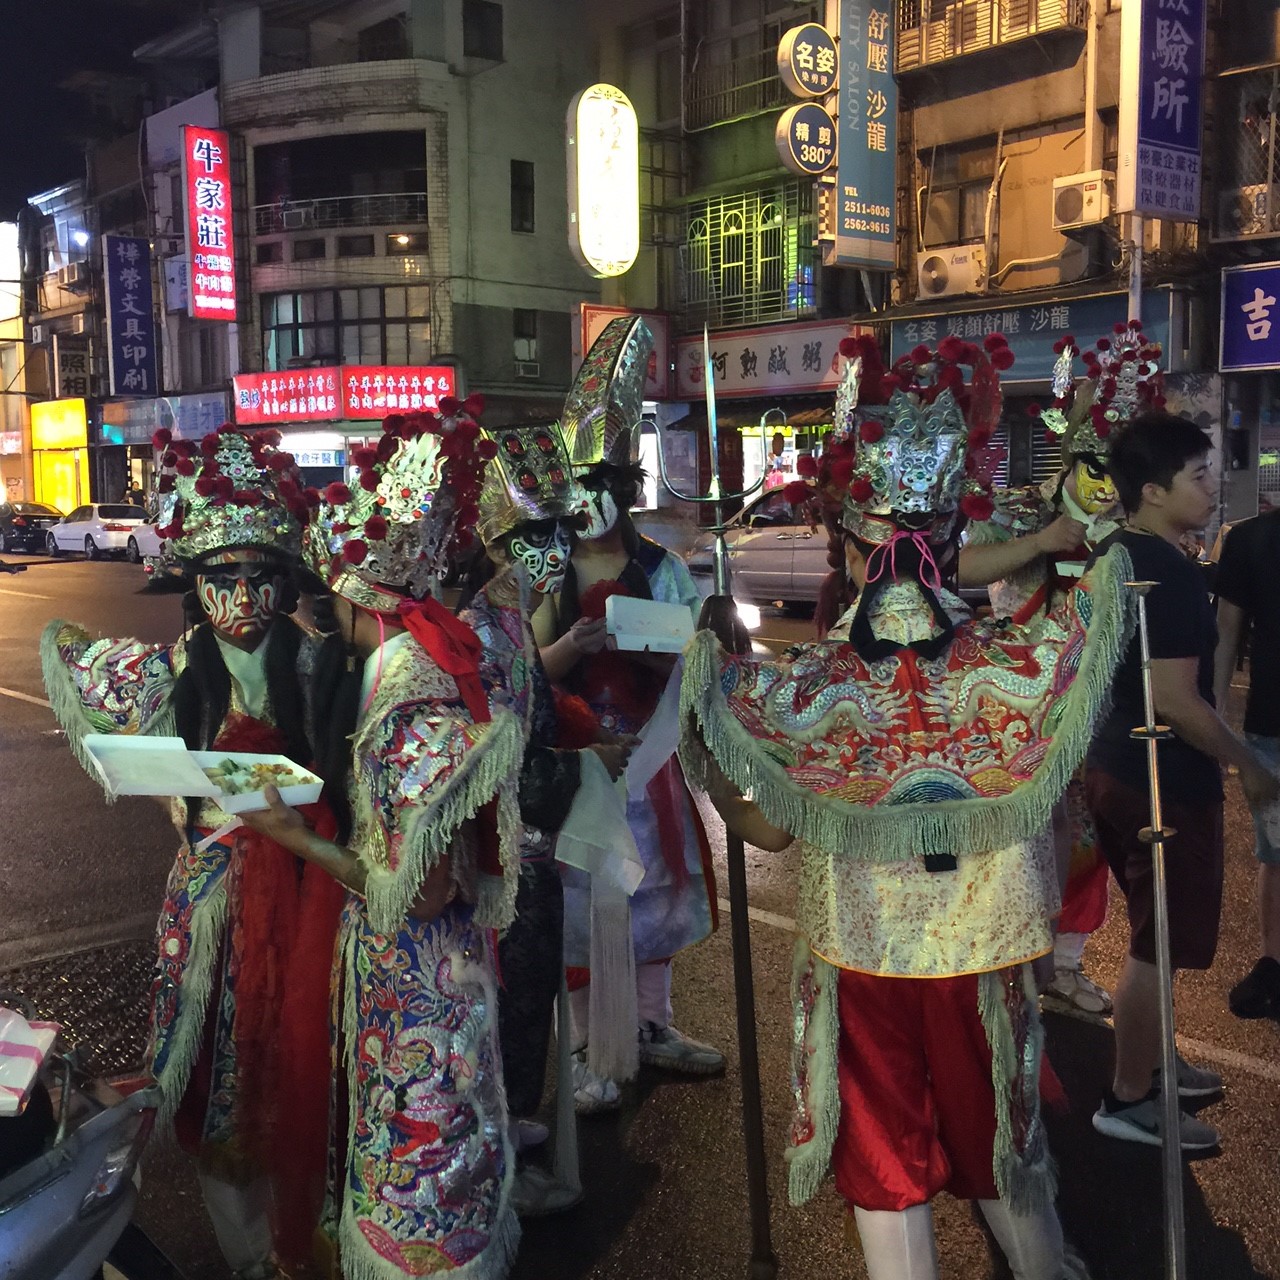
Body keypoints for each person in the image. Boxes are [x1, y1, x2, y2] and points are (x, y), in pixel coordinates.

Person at [685, 332, 1121, 1280]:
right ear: (955, 548)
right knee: (1002, 1146)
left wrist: (715, 734)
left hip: (867, 963)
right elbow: (1084, 607)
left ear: (847, 542)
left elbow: (758, 826)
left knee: (886, 1166)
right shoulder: (1010, 670)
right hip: (984, 962)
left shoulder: (808, 691)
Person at [42, 425, 338, 1280]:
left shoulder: (332, 670)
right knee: (218, 1076)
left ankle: (309, 1242)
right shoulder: (165, 677)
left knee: (316, 1068)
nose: (241, 592)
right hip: (211, 907)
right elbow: (67, 652)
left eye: (260, 574)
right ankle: (251, 1257)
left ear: (287, 583)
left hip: (316, 892)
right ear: (193, 585)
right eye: (221, 575)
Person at [240, 405, 526, 1279]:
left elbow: (424, 884)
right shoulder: (430, 657)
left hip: (417, 979)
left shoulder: (404, 688)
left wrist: (294, 835)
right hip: (433, 972)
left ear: (352, 594)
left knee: (422, 1169)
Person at [1086, 412, 1280, 1150]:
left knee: (1152, 933)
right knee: (1154, 945)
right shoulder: (1160, 571)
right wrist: (1250, 763)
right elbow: (1174, 698)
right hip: (1157, 779)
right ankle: (1129, 1097)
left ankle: (1152, 1066)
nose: (1211, 487)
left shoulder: (1119, 552)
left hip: (1117, 768)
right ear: (1154, 490)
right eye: (1198, 476)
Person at [960, 322, 1163, 1017]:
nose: (1106, 490)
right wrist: (1043, 542)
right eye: (1096, 470)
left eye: (1122, 478)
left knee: (1086, 843)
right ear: (1070, 461)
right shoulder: (1016, 515)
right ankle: (1013, 959)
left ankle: (1066, 966)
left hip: (1094, 716)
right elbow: (954, 566)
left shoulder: (1131, 541)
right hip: (1015, 713)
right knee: (1018, 845)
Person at [547, 315, 723, 1110]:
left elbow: (691, 654)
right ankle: (587, 1039)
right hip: (576, 763)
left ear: (623, 490)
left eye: (603, 489)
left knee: (653, 891)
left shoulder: (663, 566)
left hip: (649, 764)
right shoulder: (538, 567)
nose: (591, 505)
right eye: (577, 491)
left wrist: (688, 645)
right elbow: (520, 662)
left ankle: (651, 1023)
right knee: (580, 899)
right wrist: (569, 647)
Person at [460, 417, 632, 1216]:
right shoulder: (486, 629)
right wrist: (588, 764)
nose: (555, 544)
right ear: (497, 536)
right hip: (503, 862)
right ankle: (494, 1169)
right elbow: (506, 771)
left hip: (522, 856)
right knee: (512, 1013)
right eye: (535, 529)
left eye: (561, 525)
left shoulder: (506, 615)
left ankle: (508, 1140)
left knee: (527, 1010)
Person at [1213, 501, 1280, 1017]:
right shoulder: (1252, 540)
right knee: (1275, 854)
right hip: (1271, 725)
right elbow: (1225, 635)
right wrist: (1213, 727)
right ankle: (1273, 964)